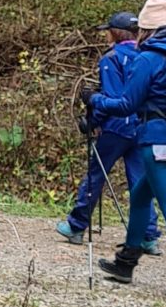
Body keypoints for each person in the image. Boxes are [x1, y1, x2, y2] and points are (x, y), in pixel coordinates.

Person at [96, 0, 166, 301]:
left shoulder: (148, 58)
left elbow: (126, 104)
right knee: (140, 195)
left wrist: (96, 100)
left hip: (159, 141)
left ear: (145, 30)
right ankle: (126, 262)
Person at [56, 13, 160, 252]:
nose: (105, 35)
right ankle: (148, 234)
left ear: (116, 33)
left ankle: (76, 225)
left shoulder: (111, 58)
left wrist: (93, 120)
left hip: (115, 127)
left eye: (108, 31)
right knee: (140, 181)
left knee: (96, 174)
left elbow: (113, 97)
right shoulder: (146, 56)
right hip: (141, 126)